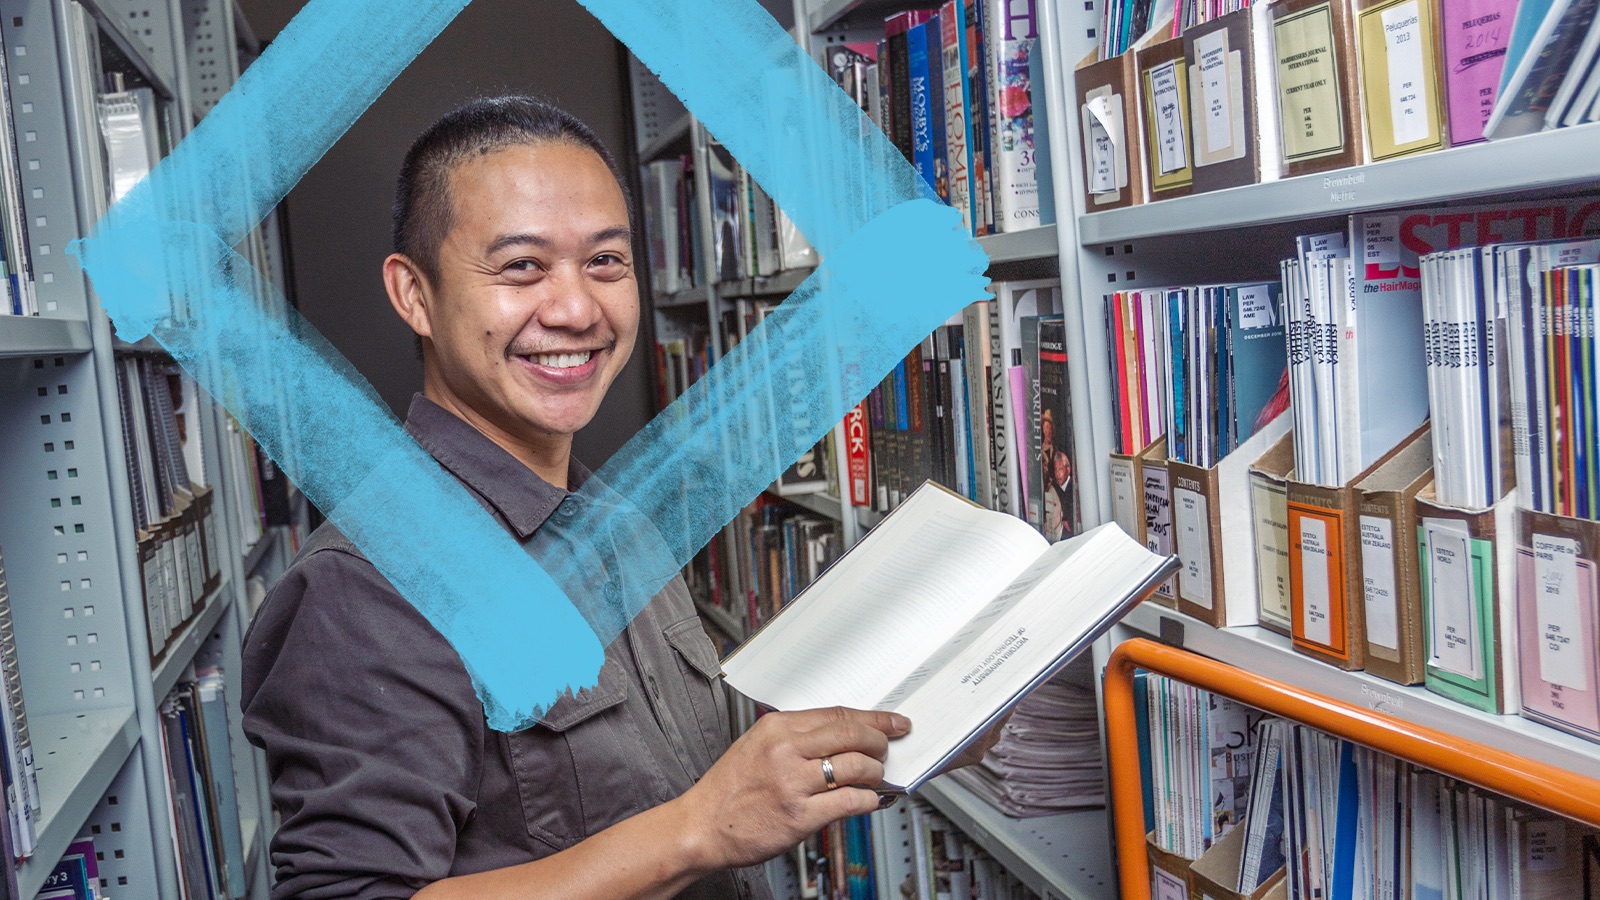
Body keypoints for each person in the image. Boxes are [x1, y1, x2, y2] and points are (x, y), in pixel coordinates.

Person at [241, 96, 993, 900]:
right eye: (521, 267)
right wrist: (695, 832)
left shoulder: (611, 519)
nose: (576, 310)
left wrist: (913, 720)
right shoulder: (367, 588)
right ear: (414, 295)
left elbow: (675, 772)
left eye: (605, 262)